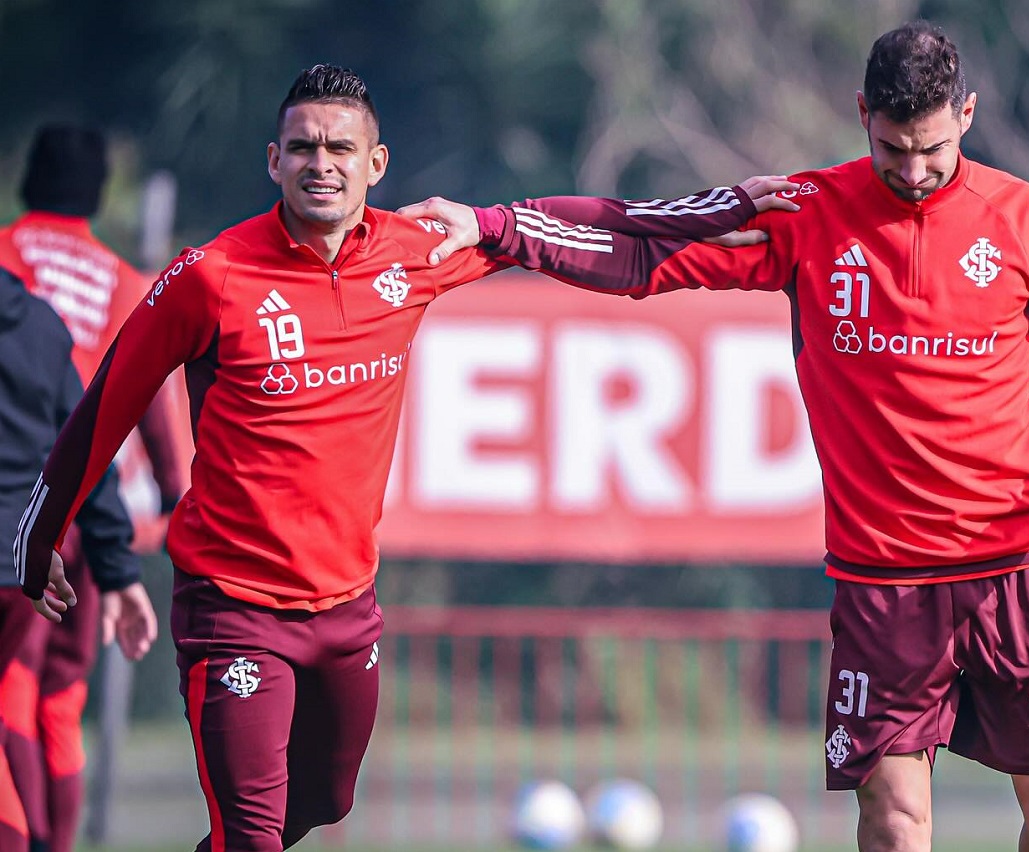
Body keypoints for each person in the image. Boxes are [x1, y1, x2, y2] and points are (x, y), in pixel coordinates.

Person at [405, 21, 1029, 852]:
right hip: (884, 585)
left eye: (933, 151)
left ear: (968, 115)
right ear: (861, 116)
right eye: (891, 150)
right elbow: (641, 243)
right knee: (894, 822)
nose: (912, 173)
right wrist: (494, 225)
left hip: (1015, 571)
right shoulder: (808, 214)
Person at [13, 64, 795, 851]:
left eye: (341, 149)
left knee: (325, 801)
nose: (322, 163)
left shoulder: (417, 251)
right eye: (304, 148)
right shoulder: (210, 277)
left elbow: (556, 225)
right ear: (273, 161)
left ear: (375, 164)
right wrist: (38, 538)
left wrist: (705, 212)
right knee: (248, 834)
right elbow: (99, 410)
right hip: (234, 610)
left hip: (347, 610)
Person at [0, 123, 185, 852]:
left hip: (17, 510)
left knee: (12, 687)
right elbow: (157, 412)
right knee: (64, 698)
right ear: (99, 193)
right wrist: (176, 504)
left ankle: (30, 837)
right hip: (89, 509)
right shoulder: (122, 281)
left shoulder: (6, 259)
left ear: (26, 182)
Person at [0, 265, 155, 852]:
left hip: (39, 559)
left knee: (22, 706)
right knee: (53, 708)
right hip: (24, 561)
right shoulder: (44, 321)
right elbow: (85, 442)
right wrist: (118, 564)